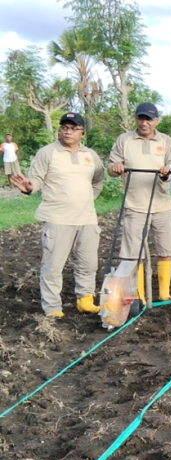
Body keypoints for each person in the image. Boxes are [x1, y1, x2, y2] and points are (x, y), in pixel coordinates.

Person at [9, 112, 104, 318]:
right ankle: (52, 307)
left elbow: (98, 180)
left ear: (82, 133)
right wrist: (28, 187)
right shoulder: (47, 152)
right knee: (53, 266)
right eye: (64, 127)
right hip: (58, 219)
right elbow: (35, 178)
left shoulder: (90, 155)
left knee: (88, 263)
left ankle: (85, 300)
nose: (68, 131)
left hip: (87, 219)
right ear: (59, 130)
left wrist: (87, 199)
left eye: (73, 128)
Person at [108, 102, 171, 302]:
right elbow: (111, 167)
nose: (144, 123)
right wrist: (116, 167)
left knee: (166, 250)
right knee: (133, 253)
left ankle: (164, 293)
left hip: (162, 204)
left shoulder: (166, 141)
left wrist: (167, 172)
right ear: (135, 119)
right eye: (141, 118)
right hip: (134, 205)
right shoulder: (124, 140)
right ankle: (139, 295)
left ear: (156, 121)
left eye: (149, 119)